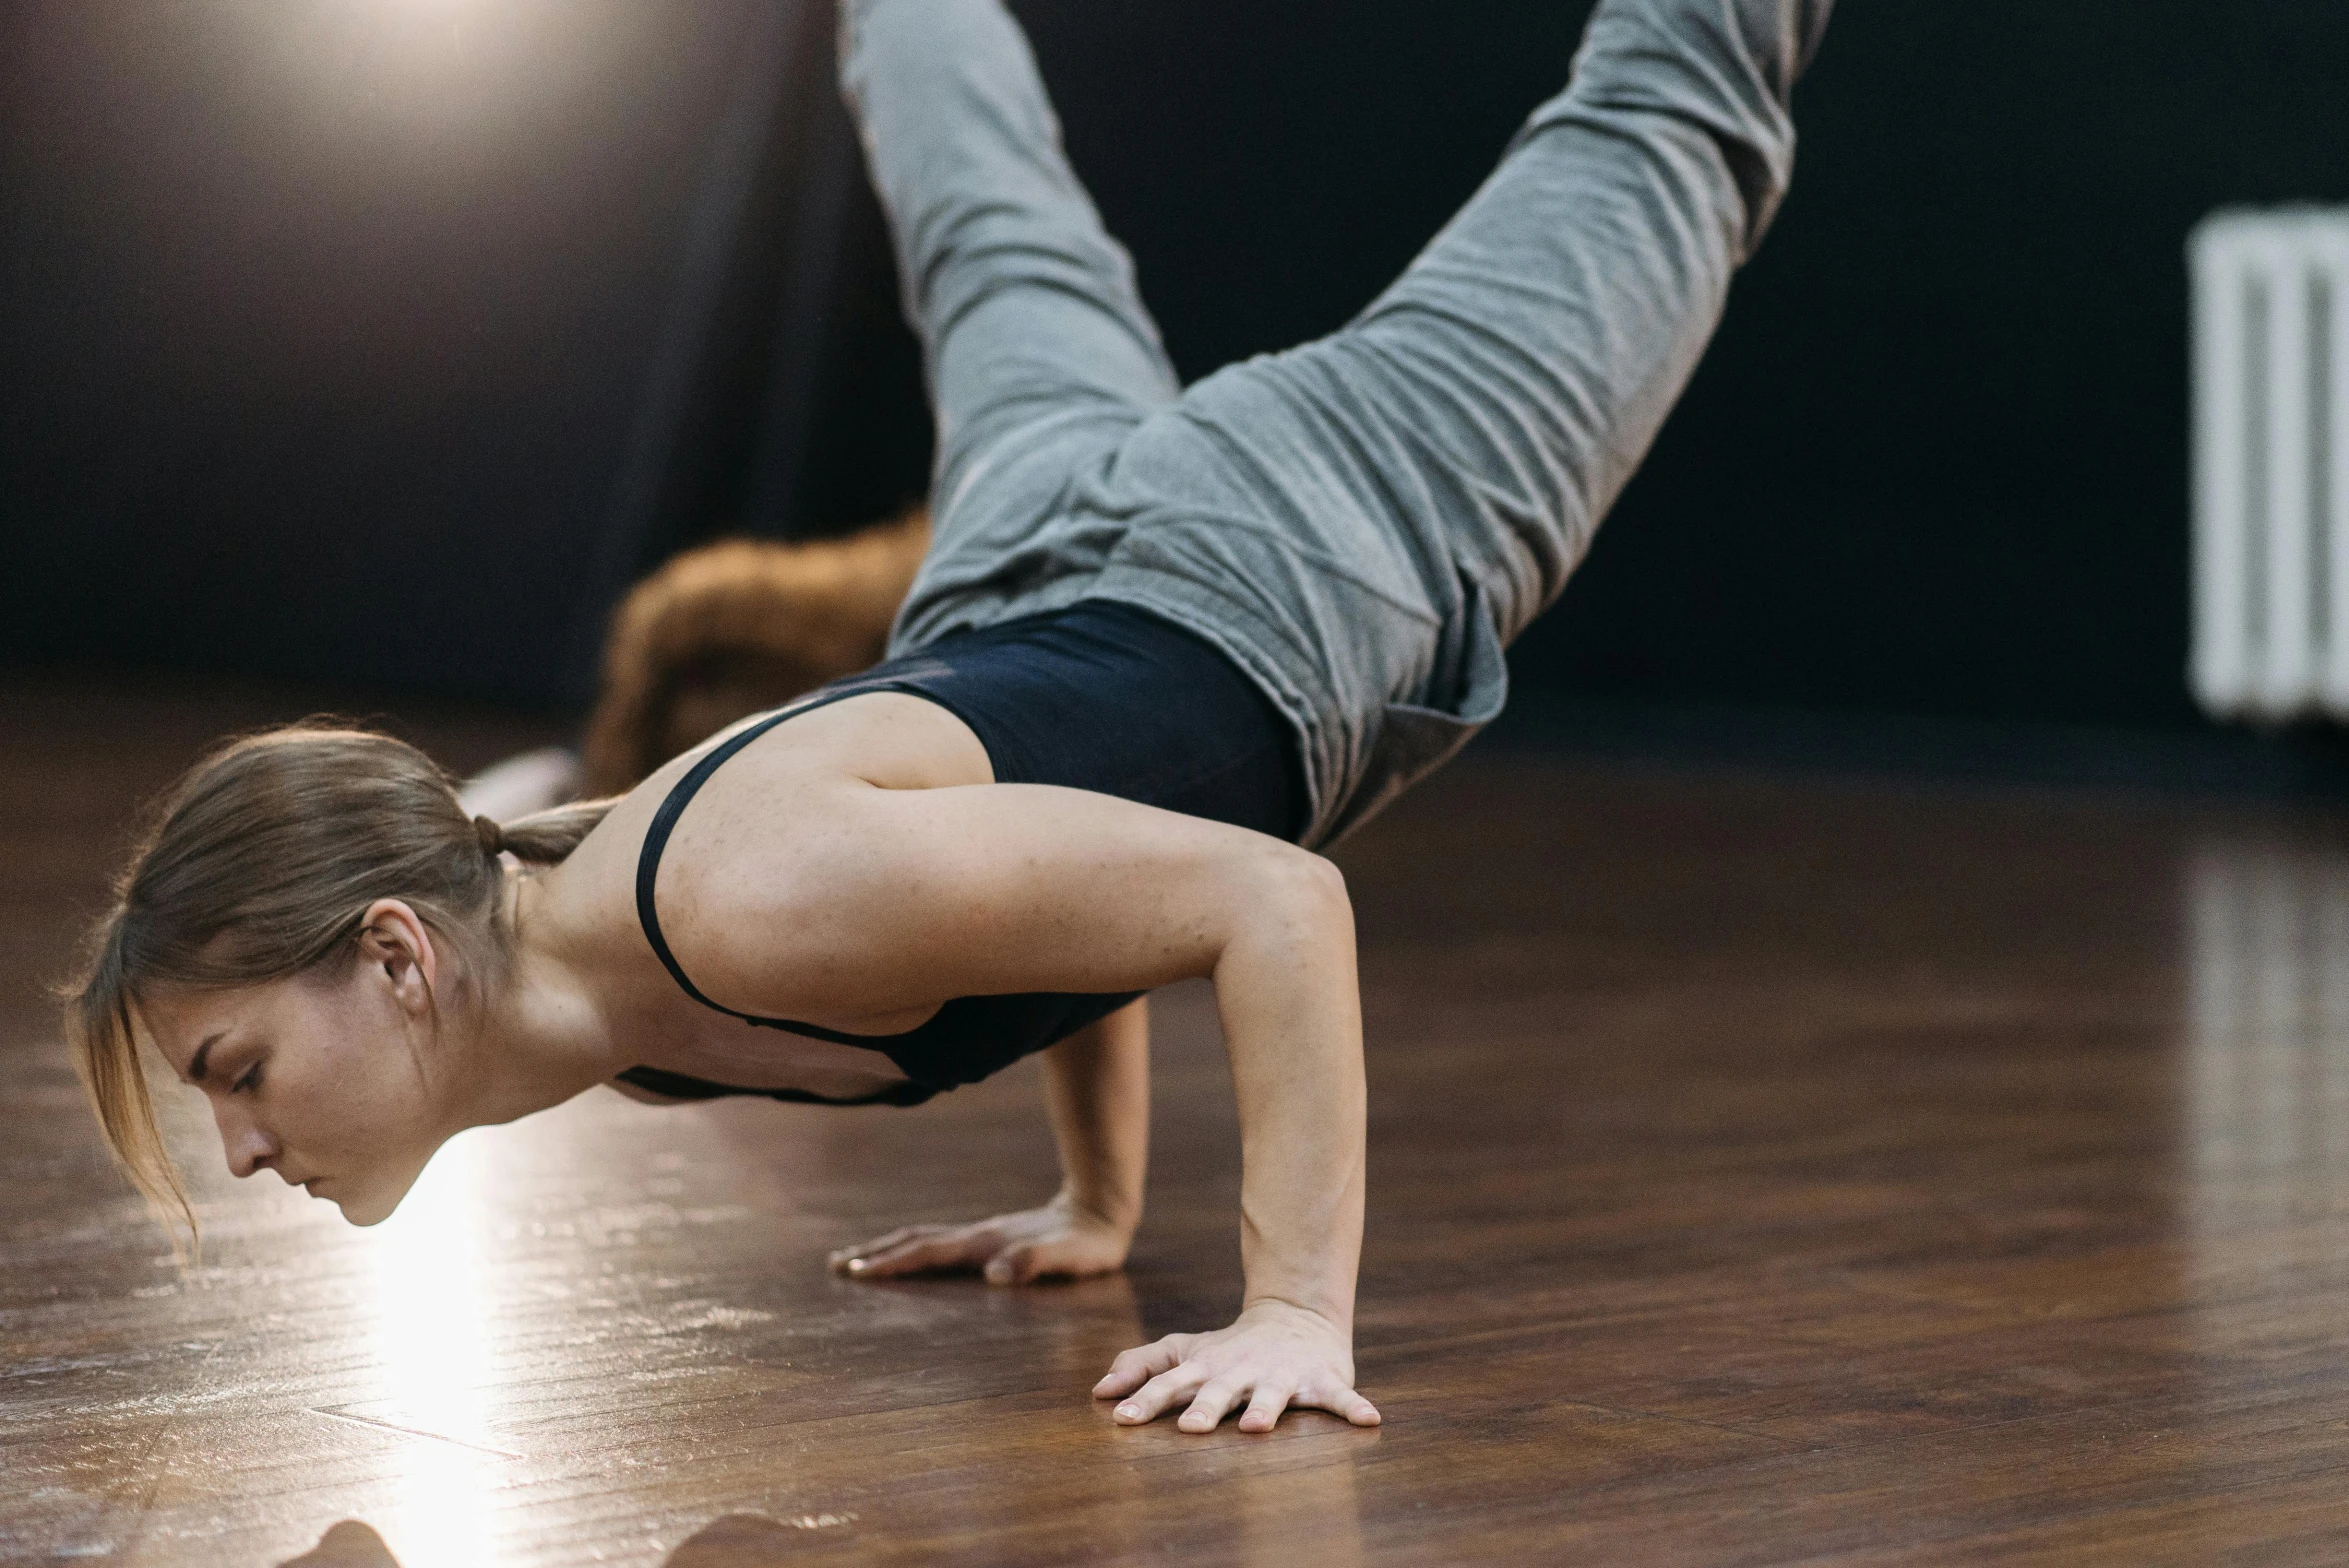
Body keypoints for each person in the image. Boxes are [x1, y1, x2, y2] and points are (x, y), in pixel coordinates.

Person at [65, 0, 1833, 1434]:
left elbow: (1268, 903)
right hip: (1026, 560)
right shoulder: (585, 963)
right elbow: (1055, 881)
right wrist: (1099, 1208)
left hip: (1304, 537)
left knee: (1680, 109)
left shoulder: (731, 904)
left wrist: (1293, 1312)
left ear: (394, 959)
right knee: (979, 204)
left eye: (235, 1074)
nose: (240, 1145)